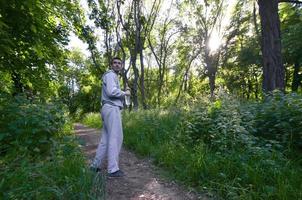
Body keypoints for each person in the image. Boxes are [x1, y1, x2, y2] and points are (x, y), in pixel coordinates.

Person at [90, 57, 130, 178]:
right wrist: (125, 93)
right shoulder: (111, 75)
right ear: (111, 65)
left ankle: (95, 166)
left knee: (105, 140)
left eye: (119, 63)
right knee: (116, 137)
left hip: (107, 108)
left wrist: (123, 94)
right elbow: (112, 91)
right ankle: (113, 170)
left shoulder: (112, 76)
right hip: (112, 108)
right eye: (115, 63)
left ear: (122, 65)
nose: (117, 65)